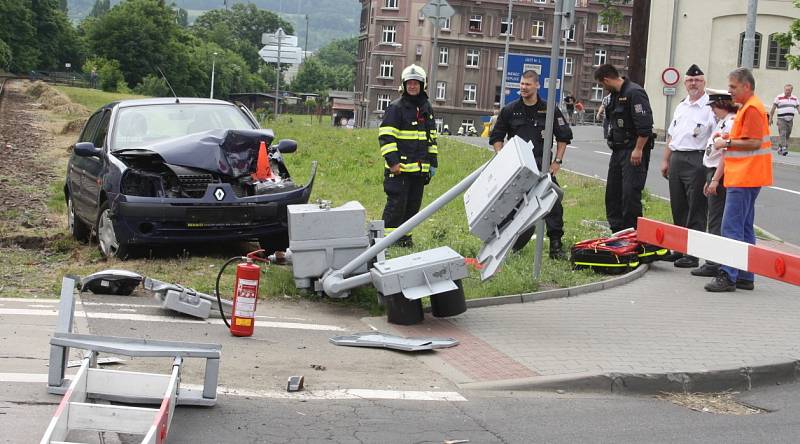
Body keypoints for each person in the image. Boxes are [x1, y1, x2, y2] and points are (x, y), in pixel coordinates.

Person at [489, 69, 573, 259]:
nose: (523, 88)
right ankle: (508, 246)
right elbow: (496, 137)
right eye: (522, 84)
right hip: (517, 169)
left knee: (553, 205)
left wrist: (557, 161)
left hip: (542, 167)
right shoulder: (510, 110)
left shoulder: (549, 109)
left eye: (527, 84)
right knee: (512, 208)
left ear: (537, 85)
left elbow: (563, 137)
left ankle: (556, 247)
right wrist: (502, 157)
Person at [705, 68, 773, 292]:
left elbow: (752, 143)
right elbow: (747, 139)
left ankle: (728, 275)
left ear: (746, 86)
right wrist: (727, 138)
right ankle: (745, 275)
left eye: (733, 87)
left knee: (731, 227)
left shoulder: (752, 108)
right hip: (747, 175)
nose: (730, 91)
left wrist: (725, 143)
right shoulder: (750, 106)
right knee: (743, 227)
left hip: (745, 175)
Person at [660, 65, 717, 268]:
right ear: (685, 83)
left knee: (696, 208)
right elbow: (672, 135)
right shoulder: (681, 105)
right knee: (678, 205)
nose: (694, 83)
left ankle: (693, 254)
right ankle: (679, 248)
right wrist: (666, 159)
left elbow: (715, 136)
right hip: (677, 158)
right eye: (690, 80)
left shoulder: (710, 107)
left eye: (698, 80)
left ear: (704, 83)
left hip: (697, 159)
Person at [379, 64, 438, 248]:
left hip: (419, 171)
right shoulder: (396, 108)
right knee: (396, 207)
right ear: (403, 85)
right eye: (409, 83)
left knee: (412, 208)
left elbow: (431, 138)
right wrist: (393, 163)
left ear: (423, 85)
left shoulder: (426, 107)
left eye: (416, 83)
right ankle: (385, 242)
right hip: (400, 171)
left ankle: (404, 239)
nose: (413, 86)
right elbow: (386, 137)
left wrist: (432, 164)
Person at [593, 64, 654, 234]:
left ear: (606, 80)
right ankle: (617, 232)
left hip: (633, 150)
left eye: (602, 84)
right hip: (618, 150)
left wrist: (638, 149)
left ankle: (633, 234)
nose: (602, 88)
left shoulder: (634, 93)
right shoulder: (614, 96)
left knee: (629, 195)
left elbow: (645, 125)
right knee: (613, 194)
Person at [691, 88, 737, 277]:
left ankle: (714, 262)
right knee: (715, 217)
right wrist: (710, 179)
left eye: (714, 106)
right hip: (713, 172)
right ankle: (715, 261)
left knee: (716, 219)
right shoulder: (723, 122)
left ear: (722, 104)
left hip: (720, 174)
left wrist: (715, 179)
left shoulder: (730, 123)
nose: (712, 111)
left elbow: (726, 155)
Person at [768, 83, 799, 156]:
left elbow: (798, 108)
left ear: (791, 90)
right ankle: (784, 147)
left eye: (788, 90)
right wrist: (770, 118)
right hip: (781, 119)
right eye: (786, 90)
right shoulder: (779, 97)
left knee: (787, 134)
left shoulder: (795, 98)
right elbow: (773, 109)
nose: (787, 91)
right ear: (784, 89)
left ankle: (780, 147)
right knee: (783, 133)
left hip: (790, 120)